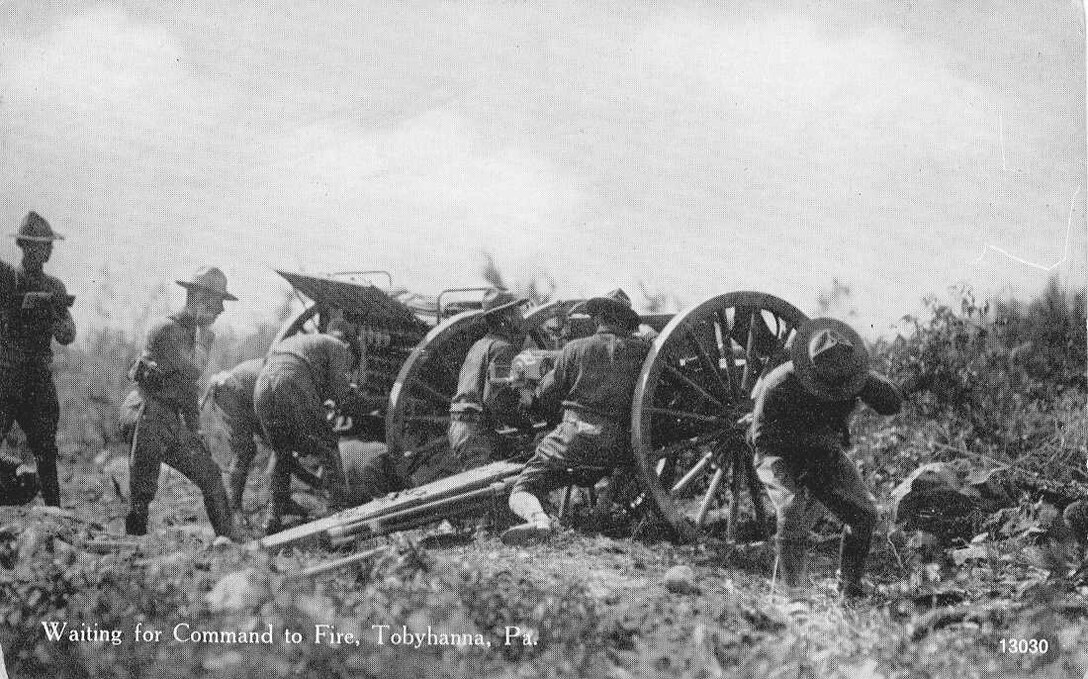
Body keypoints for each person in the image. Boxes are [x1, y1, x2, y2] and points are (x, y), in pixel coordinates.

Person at [748, 317, 902, 598]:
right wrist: (804, 459)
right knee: (791, 508)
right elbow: (761, 439)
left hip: (822, 454)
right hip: (778, 453)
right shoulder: (779, 385)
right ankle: (792, 592)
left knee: (864, 514)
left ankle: (849, 584)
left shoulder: (853, 377)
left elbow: (892, 404)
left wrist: (867, 380)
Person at [502, 289, 650, 545]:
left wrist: (529, 396)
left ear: (596, 318)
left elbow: (547, 397)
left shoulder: (574, 349)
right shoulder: (643, 353)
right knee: (619, 467)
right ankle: (602, 512)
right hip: (621, 447)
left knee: (523, 487)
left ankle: (539, 520)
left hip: (572, 441)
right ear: (627, 321)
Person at [123, 266, 238, 539]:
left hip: (164, 417)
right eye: (217, 302)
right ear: (200, 298)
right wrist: (205, 344)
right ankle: (130, 554)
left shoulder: (189, 332)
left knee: (210, 475)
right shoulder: (168, 329)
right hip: (146, 413)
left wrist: (196, 430)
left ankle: (230, 543)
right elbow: (190, 372)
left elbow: (187, 390)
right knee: (142, 492)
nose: (221, 310)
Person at [254, 321, 360, 535]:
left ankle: (274, 513)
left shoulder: (303, 342)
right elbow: (341, 394)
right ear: (348, 346)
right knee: (327, 445)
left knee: (281, 451)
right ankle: (339, 508)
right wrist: (357, 398)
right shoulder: (338, 347)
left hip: (262, 384)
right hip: (291, 380)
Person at [0, 212, 76, 507]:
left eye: (49, 244)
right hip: (7, 375)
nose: (48, 250)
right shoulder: (6, 278)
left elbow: (68, 335)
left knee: (45, 448)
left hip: (38, 378)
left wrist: (55, 312)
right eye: (42, 244)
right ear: (24, 246)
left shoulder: (54, 287)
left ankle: (54, 511)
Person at [447, 288, 528, 471]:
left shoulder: (479, 345)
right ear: (505, 318)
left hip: (462, 429)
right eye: (517, 312)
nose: (521, 318)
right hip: (477, 435)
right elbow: (496, 401)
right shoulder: (502, 349)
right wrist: (526, 424)